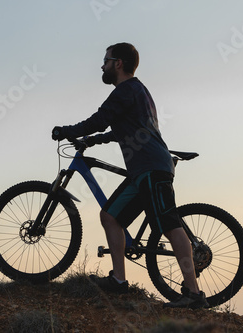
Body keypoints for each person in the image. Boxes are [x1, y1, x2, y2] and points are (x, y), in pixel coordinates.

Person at [52, 42, 208, 309]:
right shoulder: (136, 91)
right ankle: (119, 281)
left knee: (169, 225)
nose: (102, 65)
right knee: (110, 216)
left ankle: (193, 294)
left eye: (106, 60)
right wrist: (95, 140)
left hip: (151, 168)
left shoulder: (126, 90)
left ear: (119, 63)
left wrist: (67, 130)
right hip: (142, 171)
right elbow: (123, 128)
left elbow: (101, 118)